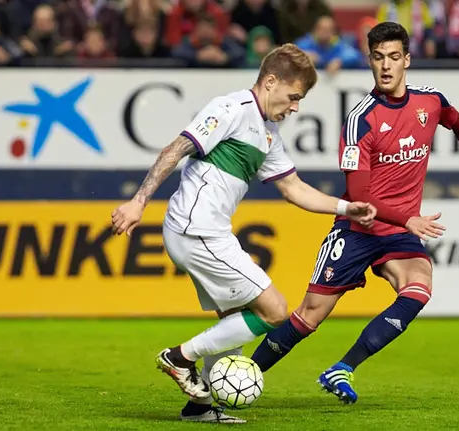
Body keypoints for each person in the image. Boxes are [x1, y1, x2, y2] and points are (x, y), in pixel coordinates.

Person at [110, 43, 377, 423]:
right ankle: (179, 358)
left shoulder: (267, 134)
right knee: (275, 311)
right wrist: (138, 202)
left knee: (234, 319)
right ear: (270, 82)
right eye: (293, 96)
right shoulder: (230, 108)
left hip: (207, 231)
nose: (295, 107)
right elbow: (174, 149)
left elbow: (294, 189)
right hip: (196, 229)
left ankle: (200, 407)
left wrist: (346, 208)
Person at [249, 22, 459, 404]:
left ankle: (343, 367)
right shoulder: (360, 121)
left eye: (394, 57)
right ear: (369, 60)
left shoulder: (430, 102)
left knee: (419, 288)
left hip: (397, 233)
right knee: (309, 317)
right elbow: (359, 197)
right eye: (379, 57)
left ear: (407, 60)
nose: (386, 66)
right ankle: (243, 374)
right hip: (357, 230)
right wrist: (408, 219)